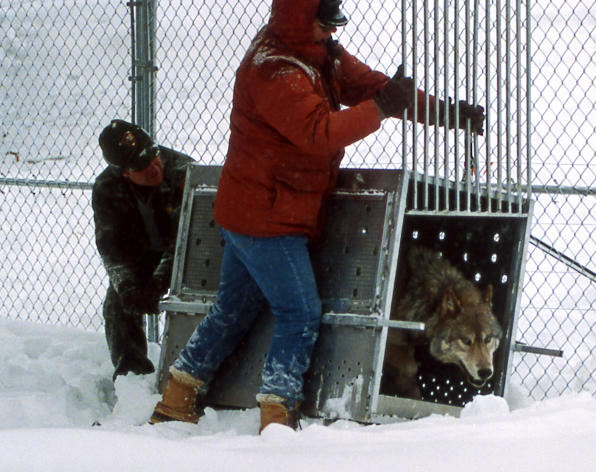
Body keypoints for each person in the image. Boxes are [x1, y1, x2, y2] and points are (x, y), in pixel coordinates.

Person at [150, 0, 484, 432]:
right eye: (324, 25)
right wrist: (381, 107)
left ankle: (179, 397)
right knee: (300, 312)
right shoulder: (273, 70)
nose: (332, 33)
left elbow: (376, 87)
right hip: (266, 217)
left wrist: (449, 114)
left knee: (234, 308)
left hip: (258, 210)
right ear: (299, 18)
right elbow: (319, 133)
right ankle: (278, 413)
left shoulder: (318, 56)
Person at [92, 120, 194, 380]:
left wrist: (159, 282)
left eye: (154, 154)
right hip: (141, 257)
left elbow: (185, 237)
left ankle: (190, 373)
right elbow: (110, 246)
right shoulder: (107, 188)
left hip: (187, 256)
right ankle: (133, 375)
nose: (153, 166)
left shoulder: (184, 172)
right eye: (141, 165)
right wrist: (126, 286)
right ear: (124, 172)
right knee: (117, 304)